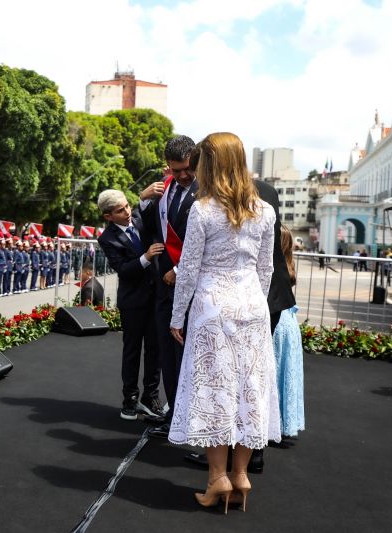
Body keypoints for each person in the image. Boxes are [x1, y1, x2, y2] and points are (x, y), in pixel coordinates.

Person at [168, 132, 280, 513]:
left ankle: (217, 477)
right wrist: (254, 305)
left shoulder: (201, 210)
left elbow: (189, 270)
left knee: (214, 390)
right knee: (249, 388)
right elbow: (266, 269)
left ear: (211, 165)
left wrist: (176, 314)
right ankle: (241, 475)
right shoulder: (266, 211)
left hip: (213, 308)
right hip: (252, 307)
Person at [138, 135, 199, 435]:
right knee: (166, 353)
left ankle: (192, 418)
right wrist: (142, 198)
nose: (183, 175)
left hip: (192, 286)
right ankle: (175, 414)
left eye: (187, 168)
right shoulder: (164, 190)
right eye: (176, 170)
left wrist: (179, 268)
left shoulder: (206, 192)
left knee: (187, 353)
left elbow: (205, 242)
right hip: (163, 286)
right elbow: (146, 227)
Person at [97, 188, 166, 421]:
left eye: (127, 206)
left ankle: (151, 396)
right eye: (120, 210)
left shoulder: (138, 217)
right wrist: (146, 257)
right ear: (108, 216)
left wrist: (142, 197)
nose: (127, 212)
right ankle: (130, 399)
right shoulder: (107, 238)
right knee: (132, 352)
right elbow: (124, 270)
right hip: (133, 302)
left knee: (154, 350)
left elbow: (155, 209)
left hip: (155, 297)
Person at [273, 225, 305, 439]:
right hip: (290, 323)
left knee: (273, 372)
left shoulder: (275, 268)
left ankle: (272, 422)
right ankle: (285, 421)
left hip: (278, 323)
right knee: (286, 372)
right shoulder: (289, 265)